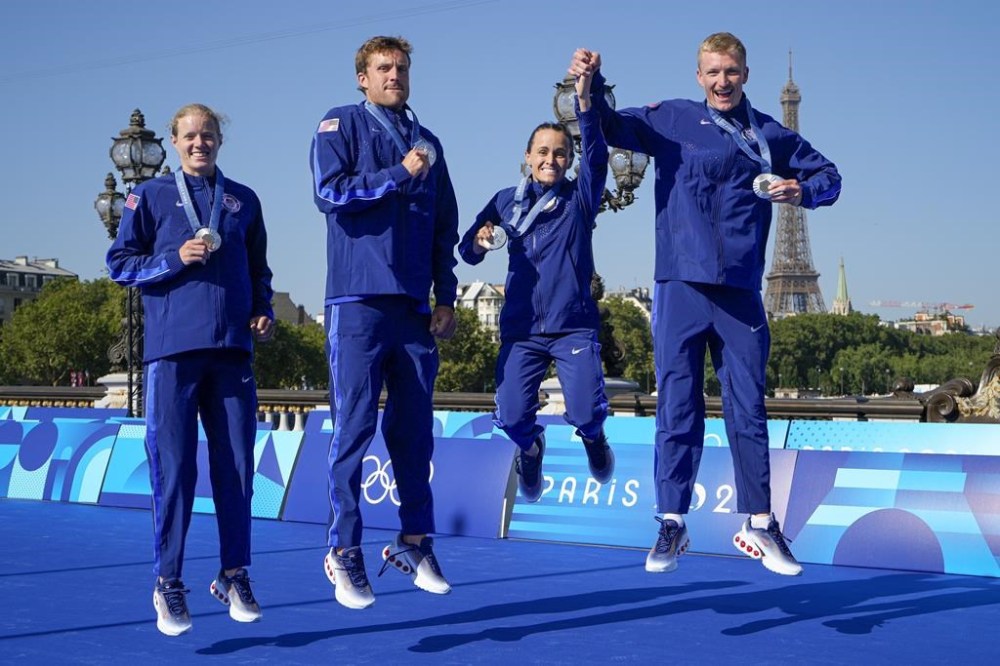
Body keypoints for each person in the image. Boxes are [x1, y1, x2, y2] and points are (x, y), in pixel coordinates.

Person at [569, 33, 841, 576]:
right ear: (699, 76)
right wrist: (587, 86)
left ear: (745, 73)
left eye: (732, 72)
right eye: (713, 72)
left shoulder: (771, 132)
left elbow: (830, 177)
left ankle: (759, 523)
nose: (722, 81)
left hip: (740, 290)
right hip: (680, 285)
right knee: (677, 406)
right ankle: (671, 520)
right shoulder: (671, 118)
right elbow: (610, 124)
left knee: (750, 408)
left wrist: (799, 191)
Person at [106, 103, 274, 635]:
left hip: (231, 354)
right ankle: (169, 583)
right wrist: (174, 258)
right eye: (190, 136)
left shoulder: (243, 200)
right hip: (172, 353)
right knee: (175, 473)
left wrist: (263, 309)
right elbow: (119, 264)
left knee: (238, 471)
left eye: (208, 134)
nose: (199, 143)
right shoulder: (151, 196)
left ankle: (234, 573)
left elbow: (259, 268)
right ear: (175, 143)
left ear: (220, 139)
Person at [309, 35, 459, 610]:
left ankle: (414, 542)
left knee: (415, 431)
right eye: (383, 68)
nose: (394, 75)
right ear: (362, 79)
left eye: (401, 68)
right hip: (357, 302)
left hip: (414, 308)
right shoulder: (339, 123)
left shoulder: (430, 143)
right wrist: (398, 173)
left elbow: (445, 225)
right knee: (353, 430)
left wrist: (445, 295)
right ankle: (343, 551)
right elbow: (329, 193)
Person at [457, 68, 614, 503]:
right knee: (509, 416)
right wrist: (480, 240)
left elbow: (598, 155)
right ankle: (531, 447)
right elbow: (466, 250)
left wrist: (585, 103)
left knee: (583, 410)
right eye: (542, 152)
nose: (551, 160)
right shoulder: (506, 200)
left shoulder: (579, 198)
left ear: (569, 160)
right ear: (527, 156)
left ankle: (594, 437)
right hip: (522, 330)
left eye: (561, 153)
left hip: (572, 326)